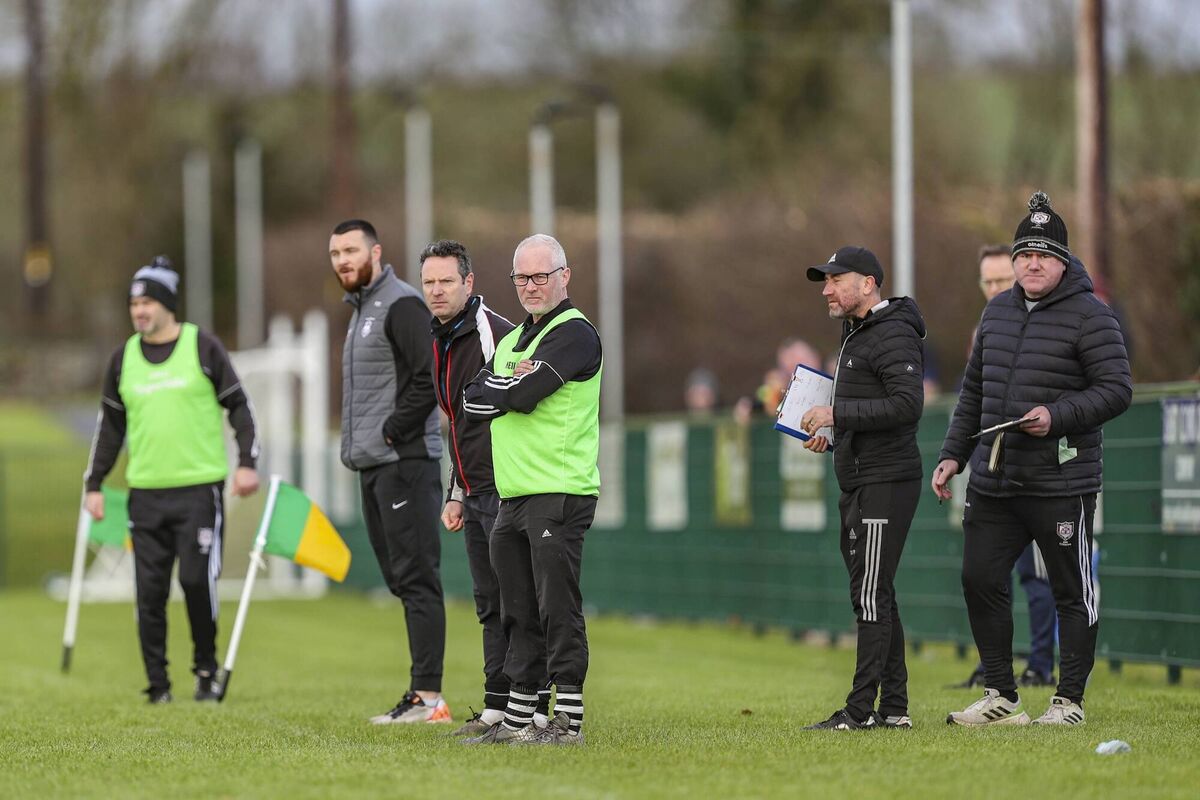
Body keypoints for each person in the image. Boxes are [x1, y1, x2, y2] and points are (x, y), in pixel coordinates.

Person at [933, 193, 1132, 726]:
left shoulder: (1093, 316)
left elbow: (1116, 391)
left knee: (1071, 590)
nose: (1032, 263)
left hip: (1061, 480)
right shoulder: (995, 312)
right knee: (979, 578)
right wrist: (953, 455)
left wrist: (1058, 415)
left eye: (1044, 254)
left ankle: (1068, 702)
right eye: (1024, 254)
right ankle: (1001, 695)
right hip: (996, 480)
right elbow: (974, 392)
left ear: (1063, 261)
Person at [83, 256, 260, 704]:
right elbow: (110, 429)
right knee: (149, 593)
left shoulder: (203, 348)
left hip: (200, 491)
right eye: (133, 303)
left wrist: (246, 462)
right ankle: (157, 685)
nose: (139, 310)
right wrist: (94, 484)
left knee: (198, 581)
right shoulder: (122, 359)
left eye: (146, 301)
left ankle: (205, 668)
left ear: (166, 304)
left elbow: (240, 407)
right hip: (144, 494)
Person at [461, 233, 603, 746]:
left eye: (541, 275)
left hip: (558, 489)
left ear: (565, 275)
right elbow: (472, 396)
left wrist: (508, 387)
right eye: (522, 277)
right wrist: (508, 386)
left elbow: (523, 394)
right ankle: (520, 715)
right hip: (513, 494)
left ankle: (568, 716)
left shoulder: (576, 333)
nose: (531, 286)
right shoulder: (513, 339)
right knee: (515, 608)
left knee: (556, 604)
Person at [419, 239, 551, 736]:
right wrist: (455, 491)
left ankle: (536, 709)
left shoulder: (498, 333)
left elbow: (516, 412)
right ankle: (497, 708)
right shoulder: (437, 338)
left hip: (508, 490)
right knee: (489, 603)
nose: (436, 290)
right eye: (429, 282)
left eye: (446, 281)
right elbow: (455, 423)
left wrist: (505, 485)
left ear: (468, 283)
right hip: (472, 494)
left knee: (521, 602)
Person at [798, 246, 926, 730]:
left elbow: (906, 405)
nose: (826, 290)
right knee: (877, 592)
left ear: (868, 282)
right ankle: (894, 709)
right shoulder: (857, 331)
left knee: (871, 594)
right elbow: (874, 408)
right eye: (824, 281)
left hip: (885, 481)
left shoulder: (892, 332)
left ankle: (859, 712)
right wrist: (833, 435)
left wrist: (838, 414)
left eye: (835, 279)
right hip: (860, 478)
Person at [329, 219, 450, 725]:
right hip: (375, 467)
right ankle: (422, 694)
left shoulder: (401, 304)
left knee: (417, 577)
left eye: (351, 250)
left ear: (375, 252)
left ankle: (429, 699)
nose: (342, 260)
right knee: (400, 577)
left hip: (405, 463)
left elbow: (429, 377)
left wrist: (393, 431)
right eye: (335, 253)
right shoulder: (360, 312)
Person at [953, 244, 1058, 690]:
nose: (994, 289)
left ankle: (1040, 665)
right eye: (987, 282)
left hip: (1038, 471)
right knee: (985, 575)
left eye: (1000, 280)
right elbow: (973, 397)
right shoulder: (988, 326)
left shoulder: (1045, 319)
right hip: (990, 469)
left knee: (1038, 573)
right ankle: (994, 669)